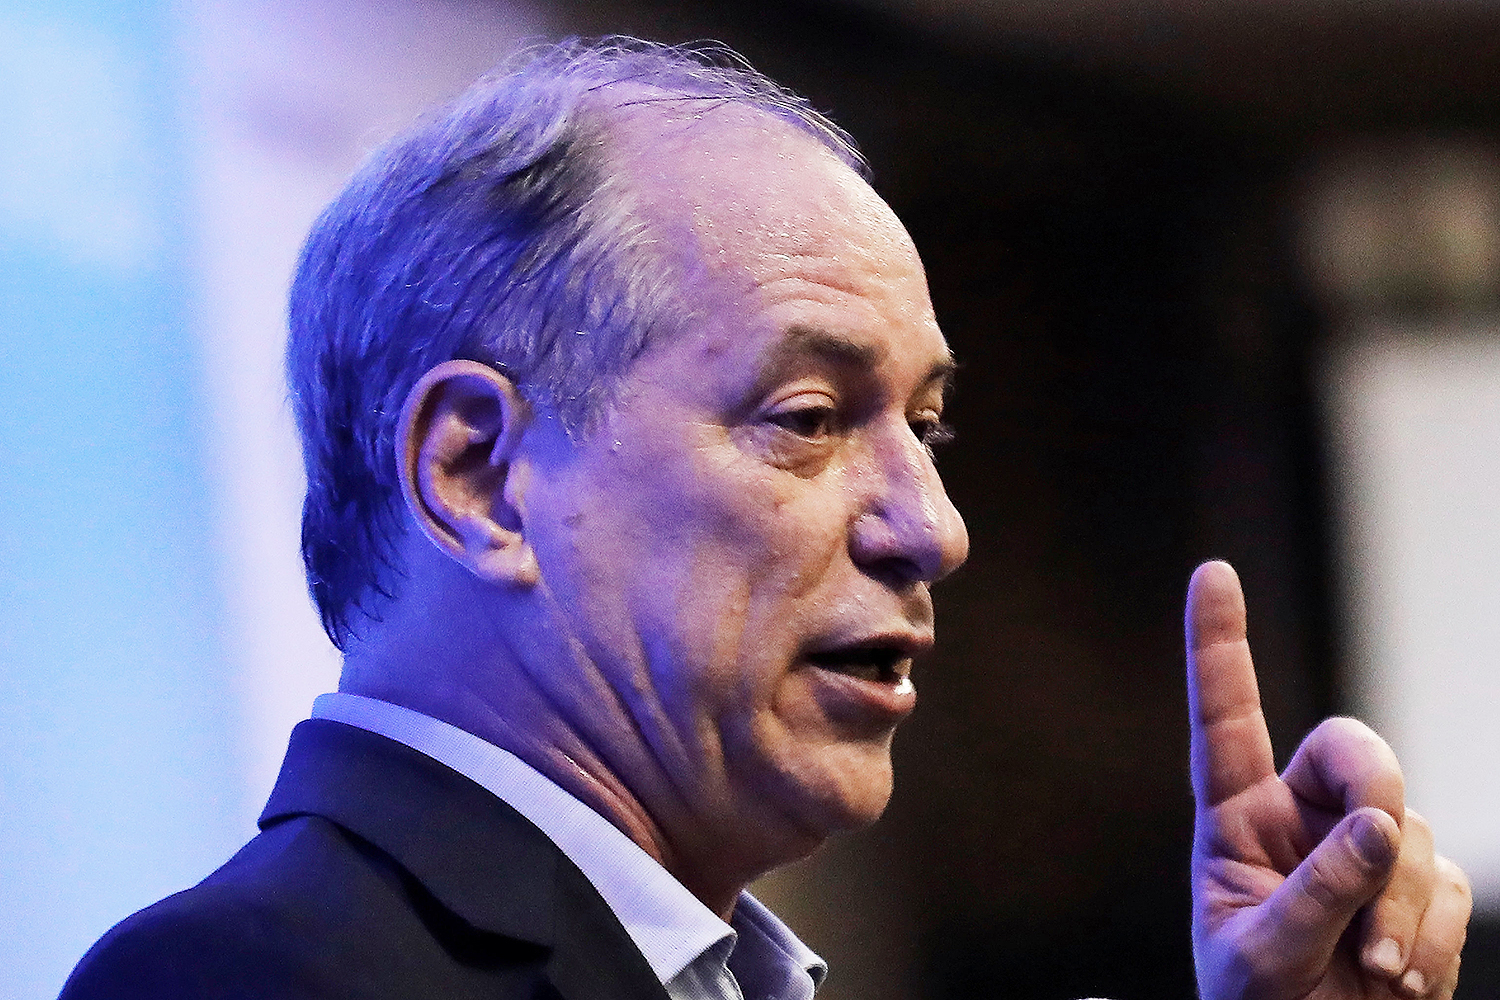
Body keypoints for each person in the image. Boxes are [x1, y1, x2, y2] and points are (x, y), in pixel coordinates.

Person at [60, 38, 1471, 1000]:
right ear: (478, 477)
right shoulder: (260, 975)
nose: (934, 526)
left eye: (926, 427)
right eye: (807, 418)